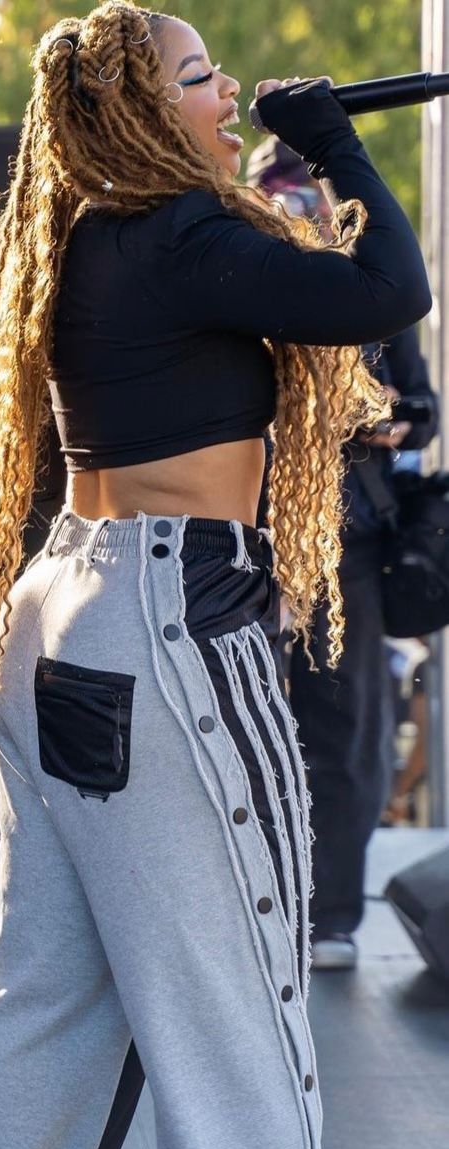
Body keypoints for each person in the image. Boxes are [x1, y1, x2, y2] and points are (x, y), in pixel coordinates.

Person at [0, 5, 429, 1149]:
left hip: (68, 609)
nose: (226, 87)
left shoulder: (95, 235)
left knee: (45, 1009)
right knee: (239, 1022)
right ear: (141, 108)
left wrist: (282, 161)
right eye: (200, 76)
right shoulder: (182, 233)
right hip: (173, 628)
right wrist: (336, 148)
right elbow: (385, 290)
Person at [246, 136, 439, 973]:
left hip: (347, 536)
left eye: (306, 195)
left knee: (347, 729)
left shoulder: (370, 286)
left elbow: (422, 409)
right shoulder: (235, 276)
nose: (297, 210)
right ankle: (249, 908)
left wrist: (383, 416)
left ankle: (328, 916)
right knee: (238, 724)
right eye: (278, 194)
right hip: (240, 534)